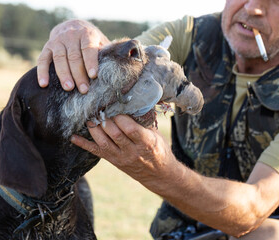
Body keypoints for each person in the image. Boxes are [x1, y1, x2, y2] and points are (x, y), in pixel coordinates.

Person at [36, 0, 279, 239]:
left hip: (256, 230)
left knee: (268, 234)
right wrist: (78, 31)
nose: (252, 8)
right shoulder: (192, 33)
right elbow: (125, 62)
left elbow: (253, 208)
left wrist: (161, 170)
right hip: (179, 229)